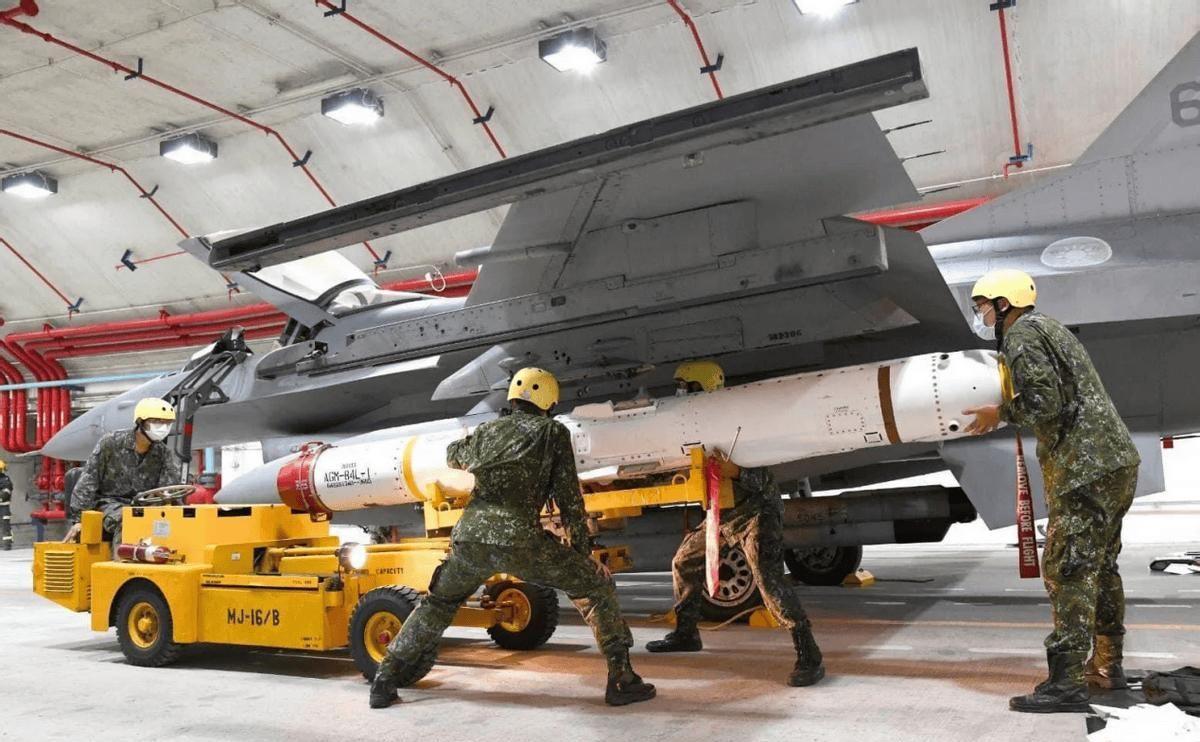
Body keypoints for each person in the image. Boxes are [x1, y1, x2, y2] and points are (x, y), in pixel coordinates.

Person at [369, 367, 656, 709]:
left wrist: (480, 443)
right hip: (520, 541)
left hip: (470, 541)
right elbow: (569, 501)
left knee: (437, 605)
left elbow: (452, 454)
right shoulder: (552, 432)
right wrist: (584, 555)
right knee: (597, 587)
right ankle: (622, 679)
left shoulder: (487, 430)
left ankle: (384, 680)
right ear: (548, 400)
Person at [962, 269, 1140, 714]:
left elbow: (1045, 402)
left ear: (1004, 303)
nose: (982, 315)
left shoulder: (1021, 335)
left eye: (983, 306)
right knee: (1101, 567)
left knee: (1067, 570)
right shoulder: (1051, 328)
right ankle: (1107, 665)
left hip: (1083, 469)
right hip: (1115, 463)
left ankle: (1066, 683)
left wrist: (999, 413)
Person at [645, 360, 825, 688]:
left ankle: (808, 653)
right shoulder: (694, 424)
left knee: (768, 580)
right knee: (684, 562)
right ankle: (686, 634)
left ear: (703, 387)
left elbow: (765, 480)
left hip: (757, 512)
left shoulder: (737, 421)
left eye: (686, 386)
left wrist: (738, 472)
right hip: (723, 514)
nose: (680, 392)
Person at [63, 398, 181, 549]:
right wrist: (79, 519)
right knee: (127, 519)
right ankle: (122, 560)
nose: (163, 427)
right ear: (141, 422)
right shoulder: (111, 443)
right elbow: (88, 480)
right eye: (156, 422)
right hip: (108, 504)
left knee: (175, 521)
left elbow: (169, 489)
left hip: (143, 506)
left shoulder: (163, 453)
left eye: (167, 423)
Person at [0, 460, 12, 550]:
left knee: (5, 525)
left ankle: (7, 545)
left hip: (3, 507)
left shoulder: (5, 480)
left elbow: (6, 494)